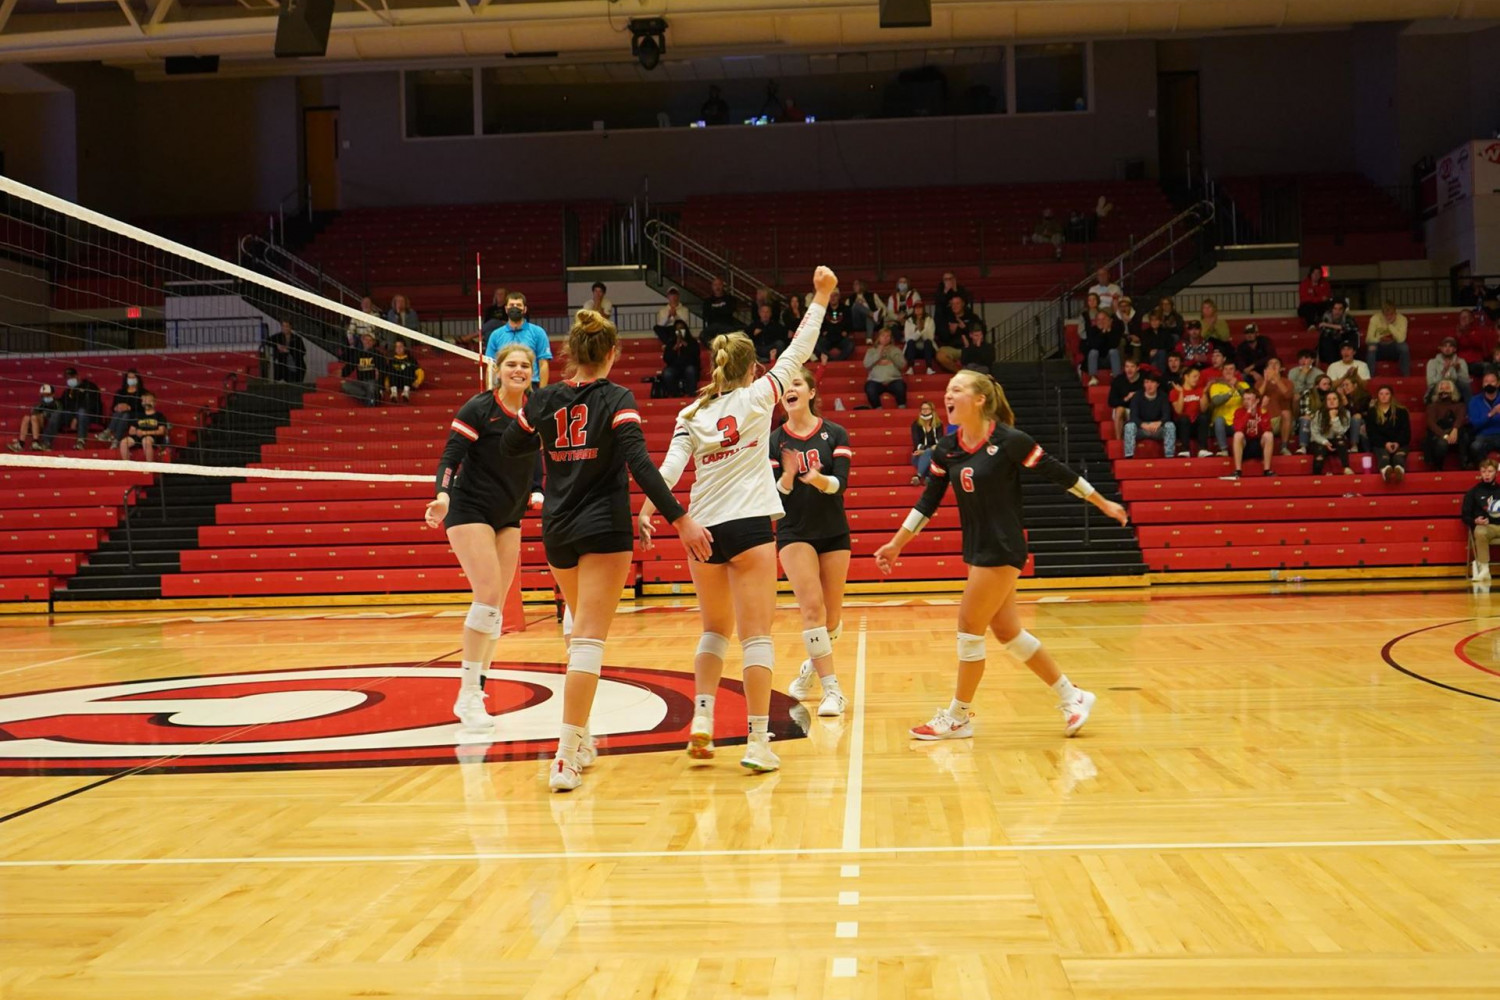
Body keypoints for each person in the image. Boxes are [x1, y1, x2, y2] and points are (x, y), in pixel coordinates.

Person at [637, 266, 837, 775]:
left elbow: (669, 470)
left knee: (712, 632)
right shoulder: (758, 397)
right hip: (749, 527)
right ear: (751, 370)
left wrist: (649, 508)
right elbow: (800, 348)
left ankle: (701, 720)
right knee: (757, 636)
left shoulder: (691, 414)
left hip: (701, 528)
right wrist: (821, 295)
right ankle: (755, 741)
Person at [502, 309, 713, 792]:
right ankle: (563, 754)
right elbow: (638, 461)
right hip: (602, 529)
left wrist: (534, 427)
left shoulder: (546, 397)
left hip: (557, 530)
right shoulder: (616, 397)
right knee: (589, 640)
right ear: (613, 354)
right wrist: (680, 518)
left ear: (572, 354)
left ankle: (581, 738)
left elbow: (511, 445)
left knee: (580, 635)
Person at [873, 371, 1128, 741]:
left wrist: (1101, 502)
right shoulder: (947, 448)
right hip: (978, 549)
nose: (948, 395)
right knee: (1008, 632)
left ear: (979, 399)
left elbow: (1059, 473)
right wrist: (897, 543)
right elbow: (929, 500)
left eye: (957, 389)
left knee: (968, 629)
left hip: (1004, 548)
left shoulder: (1009, 441)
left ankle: (958, 717)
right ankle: (1073, 697)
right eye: (947, 390)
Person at [424, 344, 542, 732]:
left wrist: (540, 490)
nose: (519, 370)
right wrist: (442, 497)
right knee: (488, 594)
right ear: (498, 369)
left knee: (496, 608)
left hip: (509, 514)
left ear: (533, 371)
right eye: (512, 364)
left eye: (525, 365)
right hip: (468, 509)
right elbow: (450, 457)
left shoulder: (536, 409)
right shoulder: (478, 407)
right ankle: (467, 695)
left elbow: (539, 457)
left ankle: (478, 686)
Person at [769, 368, 853, 717]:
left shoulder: (835, 433)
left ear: (811, 392)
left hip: (834, 531)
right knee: (812, 610)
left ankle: (809, 670)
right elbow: (774, 498)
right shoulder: (774, 439)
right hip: (794, 532)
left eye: (797, 384)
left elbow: (841, 485)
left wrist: (819, 480)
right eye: (786, 387)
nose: (791, 389)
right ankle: (832, 690)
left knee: (831, 620)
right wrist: (787, 478)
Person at [484, 292, 552, 387]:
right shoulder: (496, 335)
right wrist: (490, 391)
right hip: (504, 385)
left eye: (518, 305)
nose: (515, 307)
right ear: (506, 309)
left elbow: (543, 364)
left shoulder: (538, 332)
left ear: (524, 309)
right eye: (511, 305)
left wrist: (542, 393)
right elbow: (491, 366)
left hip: (531, 384)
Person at [41, 367, 98, 451]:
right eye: (67, 378)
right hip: (71, 415)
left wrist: (76, 418)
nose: (69, 379)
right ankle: (46, 442)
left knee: (82, 412)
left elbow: (90, 405)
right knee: (57, 413)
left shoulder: (90, 387)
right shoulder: (68, 392)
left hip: (88, 415)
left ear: (78, 376)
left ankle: (80, 442)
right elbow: (62, 404)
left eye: (71, 377)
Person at [1123, 369, 1174, 459]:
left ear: (1157, 384)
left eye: (1152, 382)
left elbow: (1167, 415)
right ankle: (1129, 456)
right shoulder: (1137, 396)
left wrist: (1159, 423)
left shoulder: (1163, 396)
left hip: (1157, 429)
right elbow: (1133, 416)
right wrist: (1143, 425)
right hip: (1142, 429)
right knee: (1129, 426)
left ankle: (1169, 456)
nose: (1149, 385)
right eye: (1146, 382)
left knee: (1170, 425)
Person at [1464, 459, 1500, 583]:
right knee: (1480, 531)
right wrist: (1475, 521)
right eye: (1484, 471)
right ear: (1480, 472)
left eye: (1490, 471)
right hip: (1486, 527)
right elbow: (1465, 515)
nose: (1487, 474)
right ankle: (1484, 569)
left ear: (1496, 472)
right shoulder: (1473, 492)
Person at [1226, 388, 1275, 479]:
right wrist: (1248, 413)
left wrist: (1261, 413)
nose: (1245, 401)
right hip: (1245, 446)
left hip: (1259, 446)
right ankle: (1238, 471)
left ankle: (1267, 470)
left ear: (1256, 400)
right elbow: (1238, 428)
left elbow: (1267, 429)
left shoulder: (1263, 411)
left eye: (1249, 399)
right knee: (1238, 435)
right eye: (1244, 399)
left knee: (1269, 435)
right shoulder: (1239, 412)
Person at [1367, 385, 1411, 483]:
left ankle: (1399, 470)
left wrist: (1397, 443)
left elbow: (1406, 432)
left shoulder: (1402, 411)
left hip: (1400, 443)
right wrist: (1384, 444)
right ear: (1377, 396)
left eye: (1387, 394)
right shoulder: (1372, 412)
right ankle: (1385, 471)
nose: (1384, 396)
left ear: (1391, 396)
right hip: (1380, 444)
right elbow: (1372, 433)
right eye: (1381, 394)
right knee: (1384, 457)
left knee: (1398, 457)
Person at [1425, 381, 1471, 471]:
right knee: (1442, 444)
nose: (1444, 391)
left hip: (1456, 432)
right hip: (1439, 433)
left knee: (1464, 435)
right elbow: (1431, 423)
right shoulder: (1432, 406)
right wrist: (1444, 435)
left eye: (1447, 388)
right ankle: (1438, 467)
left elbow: (1461, 418)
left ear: (1452, 391)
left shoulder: (1460, 405)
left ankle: (1464, 464)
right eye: (1441, 388)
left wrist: (1455, 429)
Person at [1255, 357, 1297, 455]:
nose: (1273, 365)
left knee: (1286, 413)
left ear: (1281, 368)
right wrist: (1266, 381)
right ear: (1266, 369)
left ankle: (1284, 446)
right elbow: (1256, 397)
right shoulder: (1260, 382)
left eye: (1276, 363)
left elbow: (1288, 395)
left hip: (1280, 420)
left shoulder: (1287, 382)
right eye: (1270, 364)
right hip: (1264, 419)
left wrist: (1277, 380)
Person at [1309, 390, 1353, 475]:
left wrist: (1334, 418)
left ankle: (1346, 467)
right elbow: (1314, 432)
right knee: (1319, 453)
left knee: (1340, 440)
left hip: (1337, 441)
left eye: (1334, 399)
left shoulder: (1346, 413)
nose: (1332, 401)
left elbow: (1341, 431)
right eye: (1329, 399)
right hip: (1321, 441)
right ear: (1325, 402)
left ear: (1339, 401)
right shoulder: (1319, 414)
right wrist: (1325, 442)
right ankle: (1316, 477)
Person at [863, 327, 907, 408]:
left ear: (890, 338)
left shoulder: (896, 350)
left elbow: (902, 365)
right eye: (883, 336)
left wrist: (891, 354)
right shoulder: (871, 351)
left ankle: (902, 408)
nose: (885, 338)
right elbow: (866, 364)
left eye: (888, 336)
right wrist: (878, 354)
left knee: (900, 387)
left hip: (894, 379)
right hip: (875, 380)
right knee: (870, 388)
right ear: (879, 337)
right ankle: (878, 409)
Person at [99, 370, 147, 443]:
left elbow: (144, 407)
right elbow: (113, 407)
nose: (131, 379)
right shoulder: (121, 392)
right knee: (120, 414)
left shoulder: (143, 392)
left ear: (137, 379)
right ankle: (112, 437)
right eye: (129, 377)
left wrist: (129, 407)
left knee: (125, 415)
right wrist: (116, 407)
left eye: (133, 377)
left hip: (137, 415)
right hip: (121, 415)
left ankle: (112, 435)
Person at [118, 393, 168, 462]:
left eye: (149, 401)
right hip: (138, 437)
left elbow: (161, 431)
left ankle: (149, 465)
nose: (146, 403)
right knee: (124, 442)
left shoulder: (159, 416)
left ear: (154, 403)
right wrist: (137, 432)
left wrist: (144, 432)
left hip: (153, 437)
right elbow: (131, 431)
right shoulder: (138, 415)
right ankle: (127, 465)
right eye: (144, 401)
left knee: (146, 440)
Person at [1366, 301, 1411, 376]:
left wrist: (1390, 325)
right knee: (1371, 347)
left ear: (1395, 312)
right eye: (1386, 315)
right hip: (1379, 348)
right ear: (1382, 313)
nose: (1389, 317)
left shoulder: (1402, 319)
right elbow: (1368, 339)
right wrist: (1379, 339)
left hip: (1394, 349)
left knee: (1404, 347)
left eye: (1391, 314)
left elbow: (1401, 339)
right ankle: (1370, 377)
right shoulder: (1375, 319)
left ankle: (1406, 376)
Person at [9, 384, 58, 453]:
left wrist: (43, 415)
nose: (45, 397)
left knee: (34, 417)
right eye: (43, 395)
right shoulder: (39, 404)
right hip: (37, 423)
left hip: (49, 425)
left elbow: (57, 416)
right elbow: (33, 412)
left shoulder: (57, 404)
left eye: (48, 395)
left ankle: (36, 442)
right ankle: (21, 444)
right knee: (26, 418)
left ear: (53, 394)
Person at [341, 331, 386, 406]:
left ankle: (370, 404)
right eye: (366, 340)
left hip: (372, 382)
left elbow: (383, 371)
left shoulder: (378, 355)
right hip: (360, 383)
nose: (367, 342)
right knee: (345, 385)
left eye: (370, 340)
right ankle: (370, 397)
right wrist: (342, 373)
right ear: (362, 341)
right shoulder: (358, 354)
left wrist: (381, 386)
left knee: (371, 387)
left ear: (373, 342)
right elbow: (350, 367)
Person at [1171, 367, 1207, 458]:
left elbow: (1203, 409)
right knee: (1184, 418)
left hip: (1196, 425)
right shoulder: (1175, 392)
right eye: (1194, 376)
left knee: (1203, 417)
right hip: (1182, 426)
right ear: (1186, 377)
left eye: (1198, 377)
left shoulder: (1200, 390)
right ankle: (1185, 450)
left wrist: (1204, 393)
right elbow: (1179, 411)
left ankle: (1202, 449)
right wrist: (1181, 393)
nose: (1197, 379)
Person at [1080, 308, 1122, 386]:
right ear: (1096, 321)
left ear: (1109, 320)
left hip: (1109, 360)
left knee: (1114, 351)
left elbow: (1114, 344)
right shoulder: (1092, 330)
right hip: (1096, 360)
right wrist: (1102, 333)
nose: (1101, 322)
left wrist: (1108, 332)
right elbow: (1094, 345)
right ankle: (1093, 378)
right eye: (1099, 320)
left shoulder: (1114, 330)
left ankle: (1117, 378)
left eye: (1104, 319)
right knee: (1093, 352)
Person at [1297, 374, 1336, 454]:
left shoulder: (1331, 395)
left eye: (1329, 384)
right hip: (1312, 419)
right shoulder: (1308, 393)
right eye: (1324, 384)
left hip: (1327, 419)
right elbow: (1305, 411)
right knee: (1305, 419)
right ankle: (1303, 447)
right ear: (1317, 385)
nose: (1327, 386)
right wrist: (1317, 418)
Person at [661, 320, 700, 397]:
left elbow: (695, 355)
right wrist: (675, 347)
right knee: (667, 373)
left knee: (690, 370)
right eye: (677, 329)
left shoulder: (692, 341)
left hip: (689, 365)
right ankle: (675, 394)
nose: (679, 331)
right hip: (674, 367)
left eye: (681, 329)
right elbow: (666, 358)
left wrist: (685, 344)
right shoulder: (670, 343)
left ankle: (691, 393)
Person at [1468, 371, 1500, 466]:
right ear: (1482, 384)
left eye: (1492, 381)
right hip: (1483, 435)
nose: (1489, 384)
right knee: (1475, 447)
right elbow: (1475, 424)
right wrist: (1491, 414)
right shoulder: (1474, 401)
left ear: (1498, 383)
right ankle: (1484, 471)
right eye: (1486, 382)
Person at [1108, 358, 1142, 444]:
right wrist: (1126, 399)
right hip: (1125, 409)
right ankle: (1118, 441)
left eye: (1132, 367)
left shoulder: (1144, 381)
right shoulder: (1118, 380)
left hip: (1140, 409)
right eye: (1127, 367)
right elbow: (1111, 402)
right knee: (1119, 409)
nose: (1129, 370)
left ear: (1137, 368)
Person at [1427, 337, 1471, 403]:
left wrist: (1458, 370)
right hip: (1438, 389)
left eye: (1450, 346)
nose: (1447, 349)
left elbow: (1466, 381)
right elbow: (1431, 383)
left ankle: (1469, 410)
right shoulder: (1432, 362)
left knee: (1465, 387)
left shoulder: (1461, 361)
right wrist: (1444, 371)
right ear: (1441, 348)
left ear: (1455, 349)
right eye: (1445, 346)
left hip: (1455, 390)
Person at [1456, 308, 1496, 378]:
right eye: (1461, 317)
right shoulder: (1454, 332)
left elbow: (1477, 343)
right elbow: (1452, 346)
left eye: (1465, 317)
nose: (1463, 319)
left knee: (1488, 367)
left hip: (1475, 362)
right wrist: (1459, 335)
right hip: (1460, 363)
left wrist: (1466, 333)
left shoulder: (1478, 331)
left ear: (1471, 319)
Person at [816, 290, 855, 362]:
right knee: (817, 346)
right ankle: (831, 360)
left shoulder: (846, 309)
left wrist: (846, 331)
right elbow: (819, 324)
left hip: (841, 337)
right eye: (830, 296)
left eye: (835, 295)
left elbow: (850, 324)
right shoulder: (823, 309)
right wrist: (823, 332)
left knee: (850, 345)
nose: (832, 298)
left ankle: (837, 361)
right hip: (827, 337)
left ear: (839, 297)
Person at [910, 400, 941, 483]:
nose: (925, 411)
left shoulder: (938, 424)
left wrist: (926, 451)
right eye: (923, 409)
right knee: (924, 454)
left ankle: (919, 476)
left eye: (927, 409)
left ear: (932, 410)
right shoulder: (916, 425)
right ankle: (929, 477)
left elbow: (939, 444)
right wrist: (929, 449)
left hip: (935, 456)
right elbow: (917, 444)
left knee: (929, 452)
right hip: (918, 455)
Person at [904, 300, 937, 374]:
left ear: (923, 309)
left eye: (920, 307)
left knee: (928, 342)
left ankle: (929, 368)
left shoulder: (929, 320)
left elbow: (930, 337)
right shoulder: (908, 321)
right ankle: (910, 368)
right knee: (910, 342)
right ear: (914, 309)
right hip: (913, 350)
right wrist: (919, 332)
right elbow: (907, 338)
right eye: (916, 308)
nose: (918, 309)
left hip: (926, 350)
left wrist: (921, 329)